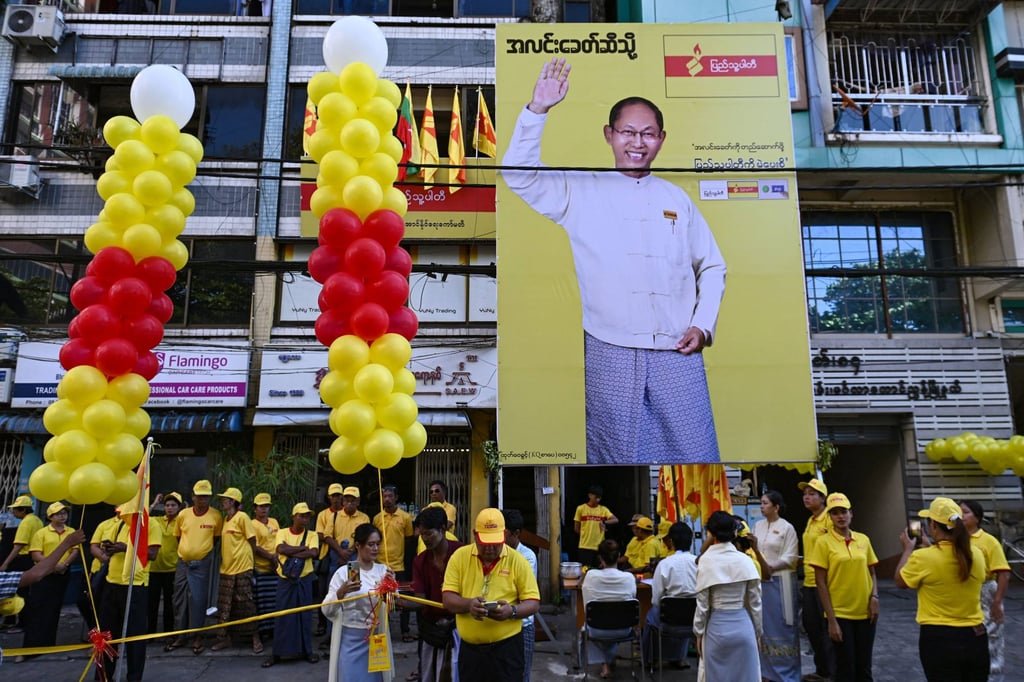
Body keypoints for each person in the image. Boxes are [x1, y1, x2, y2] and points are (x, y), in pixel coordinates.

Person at [503, 57, 727, 465]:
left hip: (677, 346)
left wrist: (703, 324)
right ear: (609, 135)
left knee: (696, 455)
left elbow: (712, 266)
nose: (637, 143)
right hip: (608, 346)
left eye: (648, 134)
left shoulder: (678, 199)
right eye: (627, 132)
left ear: (662, 139)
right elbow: (521, 176)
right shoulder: (581, 190)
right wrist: (538, 110)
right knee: (612, 456)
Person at [895, 497, 988, 682]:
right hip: (975, 637)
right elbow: (951, 561)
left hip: (939, 639)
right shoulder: (976, 553)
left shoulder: (923, 557)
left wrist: (907, 549)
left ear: (934, 526)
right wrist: (931, 546)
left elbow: (900, 580)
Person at [441, 508, 541, 682]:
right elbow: (448, 598)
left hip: (507, 650)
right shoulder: (459, 557)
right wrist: (468, 605)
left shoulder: (518, 560)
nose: (490, 549)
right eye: (484, 543)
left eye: (495, 543)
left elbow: (533, 602)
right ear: (474, 535)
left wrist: (512, 611)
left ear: (504, 535)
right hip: (471, 651)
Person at [807, 493, 879, 682]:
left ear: (851, 513)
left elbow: (871, 571)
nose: (840, 517)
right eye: (835, 513)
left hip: (865, 613)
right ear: (830, 517)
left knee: (864, 667)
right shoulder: (823, 543)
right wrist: (831, 620)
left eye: (844, 512)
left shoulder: (863, 539)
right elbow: (820, 583)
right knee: (844, 668)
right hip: (840, 614)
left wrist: (875, 598)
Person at [693, 510, 762, 682]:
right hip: (743, 627)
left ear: (711, 533)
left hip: (716, 629)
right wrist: (758, 634)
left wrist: (699, 634)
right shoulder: (745, 561)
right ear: (734, 533)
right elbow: (755, 604)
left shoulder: (706, 560)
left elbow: (702, 606)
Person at [98, 500, 163, 682]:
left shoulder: (151, 524)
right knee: (107, 636)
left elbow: (152, 554)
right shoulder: (119, 525)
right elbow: (110, 551)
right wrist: (110, 548)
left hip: (135, 586)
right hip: (112, 584)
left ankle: (133, 677)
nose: (119, 511)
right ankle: (103, 676)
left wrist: (124, 548)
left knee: (135, 637)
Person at [322, 523, 394, 682]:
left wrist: (391, 588)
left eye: (377, 544)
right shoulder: (343, 573)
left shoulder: (383, 571)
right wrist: (340, 593)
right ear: (358, 546)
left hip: (377, 638)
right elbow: (326, 610)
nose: (375, 548)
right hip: (351, 640)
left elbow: (393, 604)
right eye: (370, 544)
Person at [167, 480, 223, 654]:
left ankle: (197, 636)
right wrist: (188, 552)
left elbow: (215, 540)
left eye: (206, 497)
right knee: (179, 599)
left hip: (203, 565)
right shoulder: (183, 514)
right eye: (199, 496)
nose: (202, 500)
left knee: (198, 600)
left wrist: (199, 554)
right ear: (193, 497)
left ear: (210, 498)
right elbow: (178, 537)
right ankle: (180, 635)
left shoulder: (216, 516)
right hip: (183, 564)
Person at [263, 502, 320, 668]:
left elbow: (314, 552)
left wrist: (292, 549)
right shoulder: (282, 532)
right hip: (286, 580)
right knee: (282, 615)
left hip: (305, 579)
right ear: (293, 516)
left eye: (307, 516)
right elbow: (281, 549)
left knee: (305, 616)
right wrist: (302, 549)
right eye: (301, 515)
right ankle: (277, 653)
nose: (305, 519)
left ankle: (307, 651)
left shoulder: (313, 534)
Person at [20, 501, 79, 659]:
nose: (62, 516)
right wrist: (52, 565)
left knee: (54, 609)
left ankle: (48, 645)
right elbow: (35, 554)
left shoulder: (71, 532)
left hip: (62, 573)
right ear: (50, 516)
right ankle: (30, 648)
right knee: (37, 609)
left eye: (64, 513)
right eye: (58, 513)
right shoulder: (42, 533)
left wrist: (64, 564)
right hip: (42, 575)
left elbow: (75, 551)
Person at [753, 490, 801, 682]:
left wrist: (770, 567)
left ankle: (787, 673)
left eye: (765, 503)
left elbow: (791, 557)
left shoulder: (787, 528)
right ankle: (765, 672)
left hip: (781, 582)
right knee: (764, 626)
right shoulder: (757, 526)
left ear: (776, 507)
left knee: (783, 625)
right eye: (761, 503)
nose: (762, 506)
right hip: (761, 582)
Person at [410, 506, 462, 682]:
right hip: (430, 629)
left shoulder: (462, 553)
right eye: (422, 534)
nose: (425, 539)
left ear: (443, 529)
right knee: (428, 674)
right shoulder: (420, 560)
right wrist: (396, 601)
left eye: (429, 534)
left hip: (458, 626)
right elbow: (420, 600)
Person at [960, 499, 1010, 681]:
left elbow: (1003, 573)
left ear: (977, 517)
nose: (961, 516)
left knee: (991, 640)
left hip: (985, 591)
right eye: (959, 512)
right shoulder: (957, 539)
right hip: (964, 594)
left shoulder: (989, 541)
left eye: (965, 512)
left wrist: (997, 602)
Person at [642, 522, 697, 672]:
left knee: (650, 617)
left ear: (671, 541)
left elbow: (656, 599)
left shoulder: (665, 564)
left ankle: (650, 660)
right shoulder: (699, 563)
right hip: (695, 620)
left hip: (669, 618)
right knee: (686, 609)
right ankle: (680, 657)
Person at [211, 486, 261, 653]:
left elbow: (253, 540)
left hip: (242, 568)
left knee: (247, 604)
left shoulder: (242, 517)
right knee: (225, 606)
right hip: (227, 569)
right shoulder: (226, 519)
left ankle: (255, 638)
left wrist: (250, 562)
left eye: (224, 499)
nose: (221, 502)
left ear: (232, 501)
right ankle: (224, 639)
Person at [580, 539, 637, 680]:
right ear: (619, 556)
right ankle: (608, 661)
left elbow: (587, 608)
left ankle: (605, 663)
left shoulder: (591, 576)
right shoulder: (629, 578)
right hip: (623, 628)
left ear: (600, 558)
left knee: (593, 624)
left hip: (597, 627)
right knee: (613, 619)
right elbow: (631, 598)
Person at [799, 477, 835, 682]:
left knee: (827, 629)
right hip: (809, 582)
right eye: (805, 495)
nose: (806, 498)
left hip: (826, 582)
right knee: (811, 626)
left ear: (823, 498)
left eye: (812, 494)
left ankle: (832, 672)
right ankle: (821, 670)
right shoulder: (811, 520)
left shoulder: (829, 519)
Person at [373, 483, 415, 642]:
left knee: (403, 599)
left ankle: (405, 630)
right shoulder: (377, 518)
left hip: (399, 566)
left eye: (390, 496)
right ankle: (385, 631)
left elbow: (409, 541)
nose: (387, 499)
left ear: (396, 498)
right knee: (382, 600)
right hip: (380, 565)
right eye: (385, 496)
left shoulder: (405, 518)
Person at [502, 509, 537, 682]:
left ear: (516, 534)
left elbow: (522, 593)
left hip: (522, 625)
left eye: (503, 533)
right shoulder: (495, 552)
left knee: (521, 674)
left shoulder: (527, 557)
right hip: (500, 625)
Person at [316, 482, 346, 637]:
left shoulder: (346, 513)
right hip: (326, 556)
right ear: (328, 497)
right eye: (333, 495)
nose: (336, 499)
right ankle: (322, 624)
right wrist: (334, 540)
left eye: (338, 495)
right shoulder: (323, 514)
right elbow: (320, 535)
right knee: (323, 591)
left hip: (343, 557)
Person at [148, 492, 181, 635]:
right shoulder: (157, 520)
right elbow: (142, 516)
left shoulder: (181, 522)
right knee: (151, 603)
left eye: (173, 505)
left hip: (172, 569)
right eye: (167, 505)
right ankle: (150, 633)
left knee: (170, 604)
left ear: (179, 507)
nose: (170, 508)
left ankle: (168, 633)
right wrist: (154, 504)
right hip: (154, 569)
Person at [252, 492, 280, 641]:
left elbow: (279, 541)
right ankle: (262, 632)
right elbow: (254, 546)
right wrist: (270, 557)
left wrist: (276, 558)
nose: (264, 509)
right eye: (261, 506)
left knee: (274, 601)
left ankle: (273, 630)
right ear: (255, 508)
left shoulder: (274, 522)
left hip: (275, 567)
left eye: (266, 506)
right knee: (262, 602)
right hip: (261, 568)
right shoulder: (252, 524)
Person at [573, 485, 617, 567]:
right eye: (596, 497)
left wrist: (604, 521)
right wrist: (585, 535)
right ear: (589, 495)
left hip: (599, 547)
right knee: (585, 570)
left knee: (599, 569)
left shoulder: (603, 510)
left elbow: (615, 519)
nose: (597, 500)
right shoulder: (581, 509)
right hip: (585, 546)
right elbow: (576, 528)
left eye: (599, 498)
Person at [0, 495, 42, 573]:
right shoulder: (37, 520)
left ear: (23, 510)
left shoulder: (26, 522)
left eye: (14, 509)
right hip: (32, 558)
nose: (13, 512)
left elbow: (18, 546)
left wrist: (5, 564)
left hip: (23, 559)